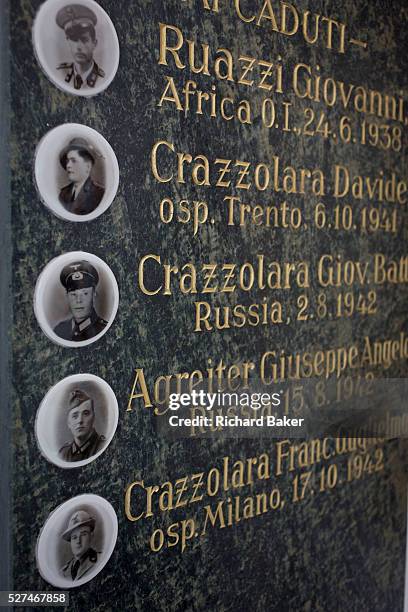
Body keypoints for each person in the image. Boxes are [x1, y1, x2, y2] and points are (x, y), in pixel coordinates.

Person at [53, 260, 108, 342]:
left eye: (85, 293)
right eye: (73, 294)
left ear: (93, 294)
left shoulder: (103, 329)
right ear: (67, 296)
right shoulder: (59, 330)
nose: (78, 300)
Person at [56, 4, 105, 91]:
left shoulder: (102, 79)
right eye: (74, 40)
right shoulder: (59, 72)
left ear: (94, 43)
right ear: (68, 42)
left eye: (84, 40)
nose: (78, 47)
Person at [59, 137, 105, 215]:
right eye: (67, 161)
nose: (68, 165)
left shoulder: (99, 194)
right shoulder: (63, 194)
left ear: (87, 166)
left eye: (73, 161)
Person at [59, 389, 106, 462]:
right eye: (75, 416)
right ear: (68, 423)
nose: (80, 420)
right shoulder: (63, 454)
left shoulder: (102, 446)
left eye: (86, 413)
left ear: (93, 418)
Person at [60, 510, 100, 581]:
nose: (78, 541)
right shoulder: (63, 572)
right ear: (70, 541)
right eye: (74, 537)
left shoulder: (100, 560)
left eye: (83, 534)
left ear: (91, 536)